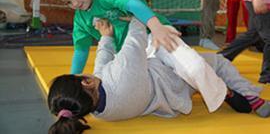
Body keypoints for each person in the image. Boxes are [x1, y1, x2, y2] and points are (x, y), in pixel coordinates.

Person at [49, 0, 231, 112]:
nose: (75, 4)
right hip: (134, 55)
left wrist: (156, 27)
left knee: (195, 67)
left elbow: (132, 3)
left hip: (155, 36)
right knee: (168, 83)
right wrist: (71, 81)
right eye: (68, 2)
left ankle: (224, 93)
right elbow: (80, 51)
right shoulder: (81, 19)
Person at [48, 18, 270, 134]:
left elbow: (101, 67)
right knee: (217, 64)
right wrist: (135, 11)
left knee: (204, 65)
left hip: (163, 98)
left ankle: (218, 86)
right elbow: (137, 34)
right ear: (85, 81)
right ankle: (245, 95)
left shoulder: (98, 111)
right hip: (172, 75)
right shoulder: (122, 74)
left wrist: (106, 37)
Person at [218, 0, 270, 84]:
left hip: (263, 0)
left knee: (253, 35)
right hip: (258, 0)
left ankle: (220, 58)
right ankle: (267, 75)